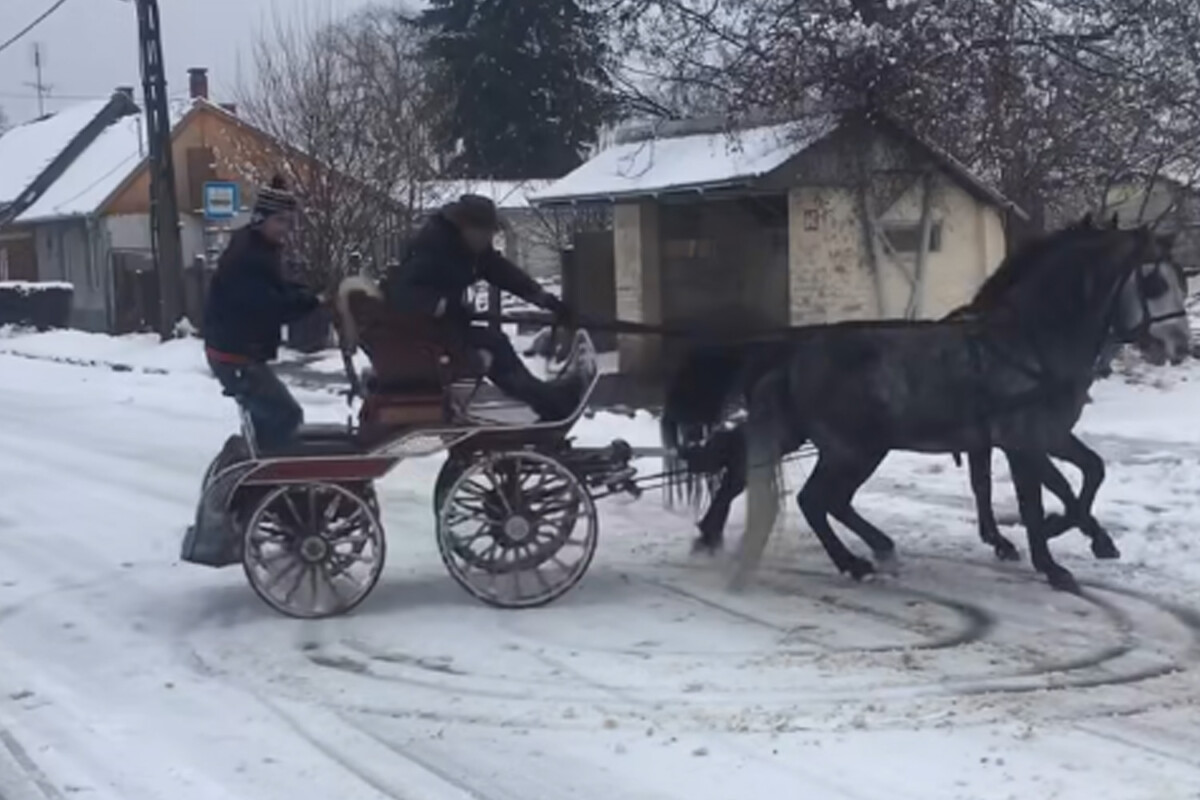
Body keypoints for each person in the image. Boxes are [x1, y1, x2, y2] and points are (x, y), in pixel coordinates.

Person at [385, 194, 580, 420]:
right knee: (495, 345)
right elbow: (403, 293)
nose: (489, 238)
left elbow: (501, 272)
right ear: (466, 227)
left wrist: (544, 299)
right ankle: (547, 403)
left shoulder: (469, 248)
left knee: (495, 342)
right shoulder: (434, 247)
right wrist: (445, 306)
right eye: (486, 232)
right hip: (425, 332)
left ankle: (545, 398)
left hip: (444, 326)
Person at [203, 176, 321, 450]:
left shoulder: (256, 247)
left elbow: (274, 290)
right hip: (235, 357)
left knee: (267, 419)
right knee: (285, 415)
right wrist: (311, 301)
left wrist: (308, 294)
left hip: (234, 352)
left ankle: (262, 462)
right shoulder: (249, 256)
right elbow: (268, 307)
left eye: (289, 222)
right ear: (260, 219)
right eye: (280, 221)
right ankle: (275, 478)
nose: (286, 229)